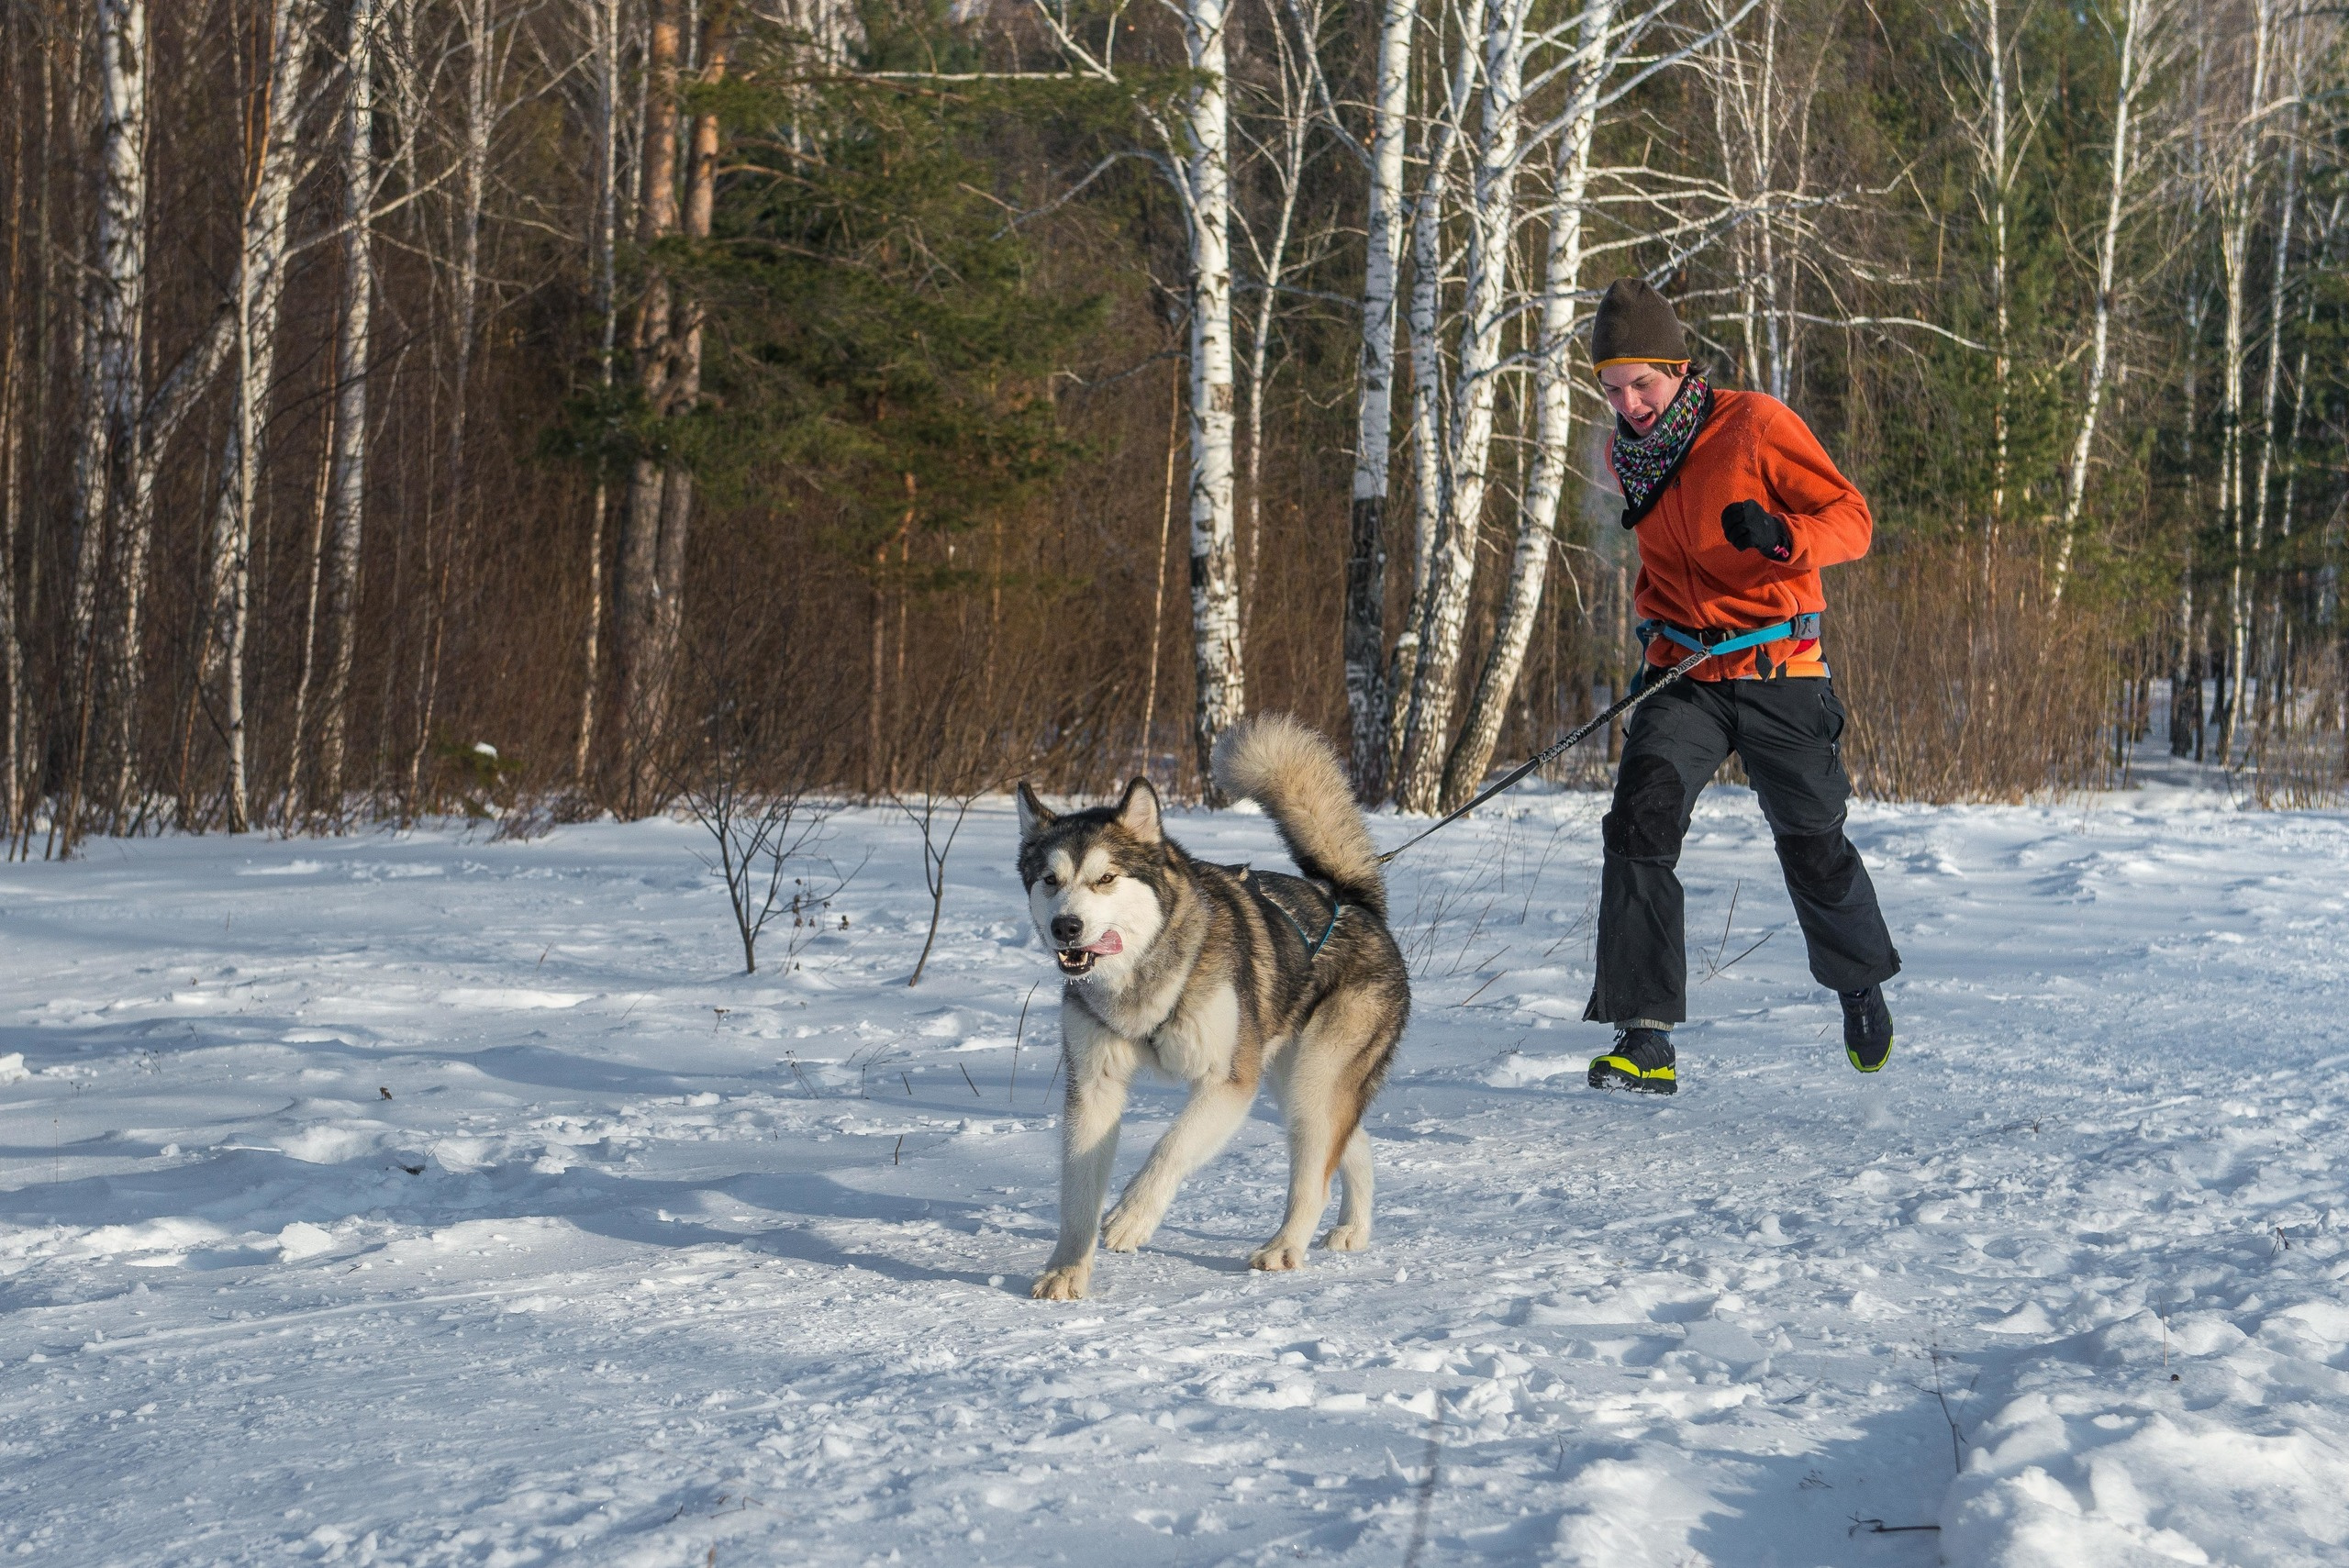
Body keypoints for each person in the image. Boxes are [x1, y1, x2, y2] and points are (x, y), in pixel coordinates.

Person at [1580, 277, 1899, 1095]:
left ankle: (1858, 983)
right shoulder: (1628, 453)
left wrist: (1784, 534)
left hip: (1778, 665)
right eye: (1613, 389)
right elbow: (1658, 557)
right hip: (1685, 672)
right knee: (1639, 821)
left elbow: (1853, 520)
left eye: (1642, 384)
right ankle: (1644, 1036)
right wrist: (1656, 631)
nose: (1630, 402)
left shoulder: (1753, 423)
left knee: (1812, 839)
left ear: (1679, 369)